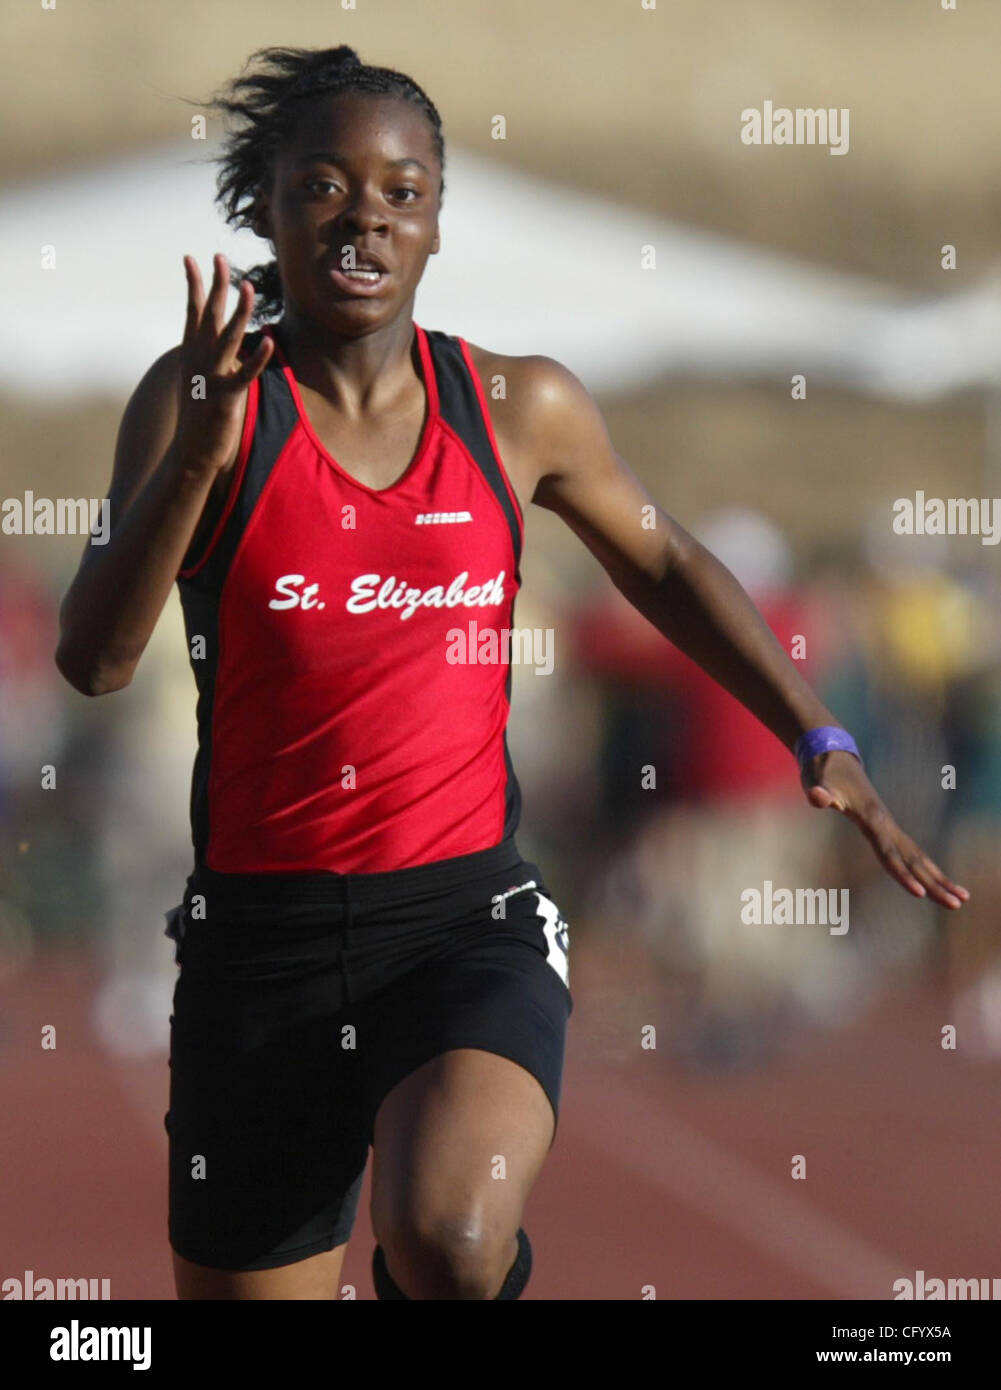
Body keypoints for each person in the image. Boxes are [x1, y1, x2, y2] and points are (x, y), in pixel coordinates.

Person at [53, 44, 969, 1301]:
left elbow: (665, 563)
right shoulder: (195, 399)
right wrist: (201, 457)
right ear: (263, 205)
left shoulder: (515, 405)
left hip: (457, 918)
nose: (365, 213)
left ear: (435, 222)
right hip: (254, 942)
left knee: (451, 1238)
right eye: (323, 185)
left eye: (402, 189)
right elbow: (95, 659)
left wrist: (821, 738)